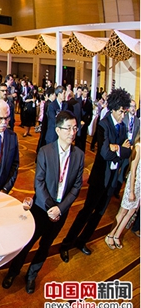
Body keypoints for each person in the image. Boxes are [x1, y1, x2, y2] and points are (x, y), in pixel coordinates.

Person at [2, 111, 85, 294]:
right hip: (41, 209)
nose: (73, 132)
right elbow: (38, 182)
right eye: (68, 128)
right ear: (58, 130)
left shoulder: (78, 155)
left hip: (60, 212)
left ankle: (32, 275)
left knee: (45, 246)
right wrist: (50, 206)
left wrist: (60, 209)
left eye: (75, 128)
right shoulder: (46, 151)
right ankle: (13, 272)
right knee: (27, 243)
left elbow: (76, 187)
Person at [60, 88, 132, 261]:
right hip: (100, 178)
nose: (124, 115)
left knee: (98, 214)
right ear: (114, 109)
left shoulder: (122, 127)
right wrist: (120, 149)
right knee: (86, 212)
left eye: (125, 112)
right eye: (122, 112)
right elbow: (105, 153)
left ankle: (82, 241)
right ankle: (66, 244)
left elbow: (127, 152)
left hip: (112, 179)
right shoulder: (103, 124)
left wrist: (118, 149)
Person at [106, 132, 140, 249]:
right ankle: (110, 235)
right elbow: (133, 169)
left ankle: (117, 235)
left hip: (140, 187)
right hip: (134, 184)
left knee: (131, 212)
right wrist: (131, 191)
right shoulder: (139, 146)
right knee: (123, 211)